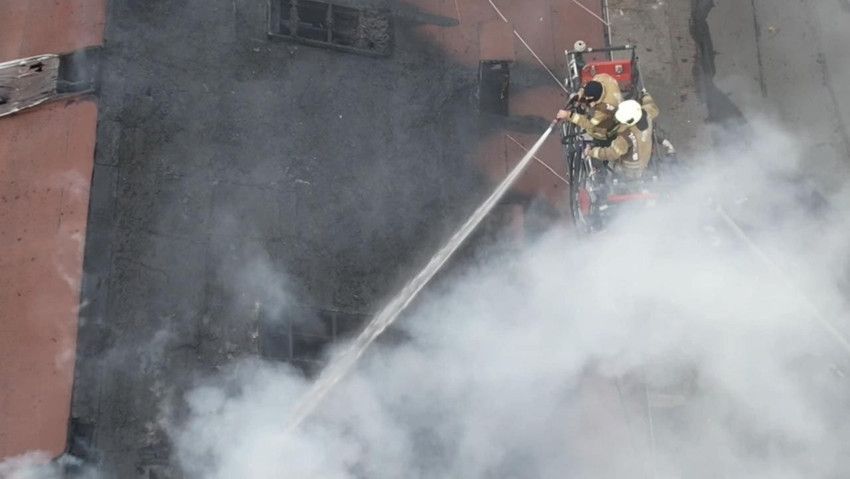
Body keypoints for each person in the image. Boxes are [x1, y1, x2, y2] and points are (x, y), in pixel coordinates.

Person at [586, 91, 660, 178]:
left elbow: (611, 153)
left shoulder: (626, 136)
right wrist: (645, 95)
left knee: (610, 167)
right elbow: (652, 106)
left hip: (629, 170)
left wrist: (592, 152)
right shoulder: (646, 114)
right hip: (645, 159)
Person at [555, 73, 623, 141]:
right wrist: (580, 93)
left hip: (609, 122)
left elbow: (589, 124)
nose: (585, 98)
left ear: (592, 98)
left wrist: (568, 115)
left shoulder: (602, 111)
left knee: (591, 129)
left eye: (587, 97)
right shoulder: (602, 78)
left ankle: (601, 140)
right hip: (615, 98)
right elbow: (588, 86)